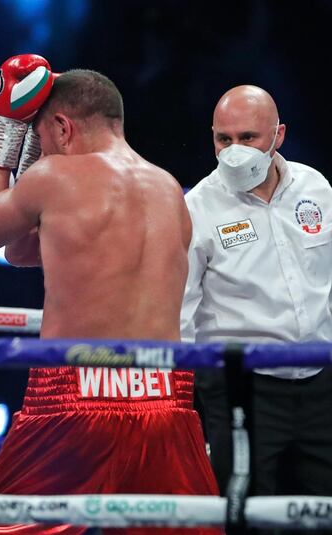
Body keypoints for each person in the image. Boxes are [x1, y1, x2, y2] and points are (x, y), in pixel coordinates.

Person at [0, 56, 220, 535]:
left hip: (76, 393)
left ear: (63, 127)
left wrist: (6, 132)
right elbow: (23, 250)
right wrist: (34, 158)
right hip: (166, 398)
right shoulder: (169, 188)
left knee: (1, 531)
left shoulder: (56, 179)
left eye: (43, 139)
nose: (43, 151)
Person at [181, 85, 332, 525]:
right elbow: (182, 309)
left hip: (322, 383)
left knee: (321, 512)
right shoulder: (197, 207)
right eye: (222, 139)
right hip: (241, 390)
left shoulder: (316, 188)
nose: (234, 151)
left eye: (247, 137)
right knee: (243, 514)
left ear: (278, 135)